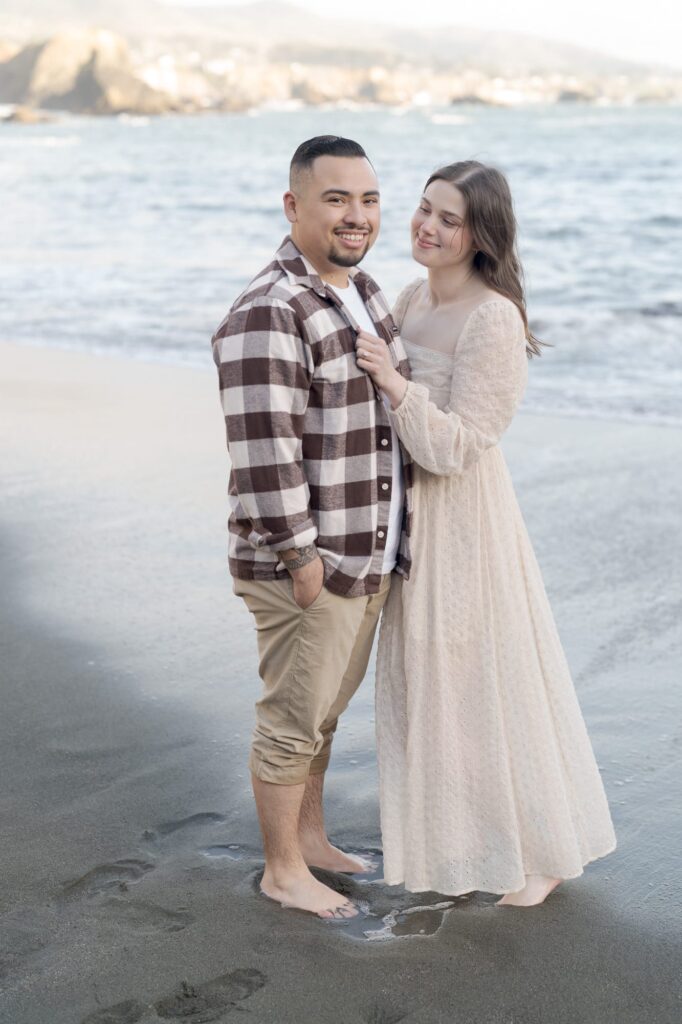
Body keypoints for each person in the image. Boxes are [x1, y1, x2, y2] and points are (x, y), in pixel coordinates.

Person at [355, 160, 617, 907]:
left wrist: (396, 384)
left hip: (463, 522)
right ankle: (466, 840)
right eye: (424, 208)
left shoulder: (493, 317)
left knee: (482, 683)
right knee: (428, 682)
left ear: (481, 235)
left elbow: (462, 444)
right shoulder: (409, 297)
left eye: (449, 219)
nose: (426, 226)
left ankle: (545, 850)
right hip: (405, 519)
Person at [210, 136, 412, 919]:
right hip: (308, 562)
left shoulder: (361, 288)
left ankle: (314, 841)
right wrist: (300, 558)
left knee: (324, 715)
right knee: (293, 720)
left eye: (367, 199)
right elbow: (264, 448)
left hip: (364, 554)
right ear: (293, 206)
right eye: (335, 199)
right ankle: (282, 870)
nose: (356, 216)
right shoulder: (271, 308)